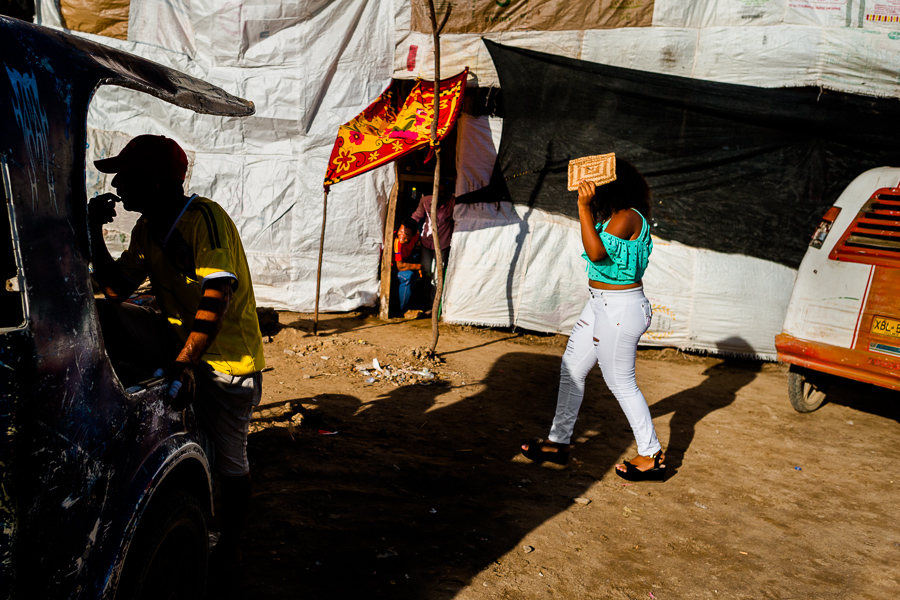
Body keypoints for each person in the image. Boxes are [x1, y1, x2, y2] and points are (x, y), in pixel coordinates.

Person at [87, 134, 266, 568]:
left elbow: (217, 295)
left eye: (126, 179)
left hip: (226, 363)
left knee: (231, 460)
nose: (118, 187)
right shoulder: (148, 229)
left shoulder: (203, 219)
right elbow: (115, 289)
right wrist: (93, 229)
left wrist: (185, 362)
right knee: (103, 313)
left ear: (155, 184)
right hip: (177, 345)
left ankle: (229, 544)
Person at [521, 160, 666, 482]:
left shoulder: (627, 217)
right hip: (601, 306)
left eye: (597, 185)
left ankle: (652, 454)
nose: (591, 190)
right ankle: (558, 442)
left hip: (620, 310)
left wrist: (583, 208)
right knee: (571, 368)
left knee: (621, 382)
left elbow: (597, 254)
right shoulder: (619, 215)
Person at [412, 178, 455, 309]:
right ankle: (424, 301)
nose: (441, 195)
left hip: (442, 244)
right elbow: (417, 216)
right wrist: (408, 227)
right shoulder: (426, 201)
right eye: (439, 192)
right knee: (426, 272)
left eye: (444, 192)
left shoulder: (452, 202)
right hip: (426, 241)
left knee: (437, 275)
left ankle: (433, 306)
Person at [392, 216, 422, 314]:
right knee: (407, 277)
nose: (402, 235)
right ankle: (402, 311)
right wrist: (417, 267)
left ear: (413, 235)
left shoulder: (417, 236)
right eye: (401, 231)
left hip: (406, 261)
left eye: (406, 234)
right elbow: (400, 266)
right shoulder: (397, 242)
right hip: (394, 268)